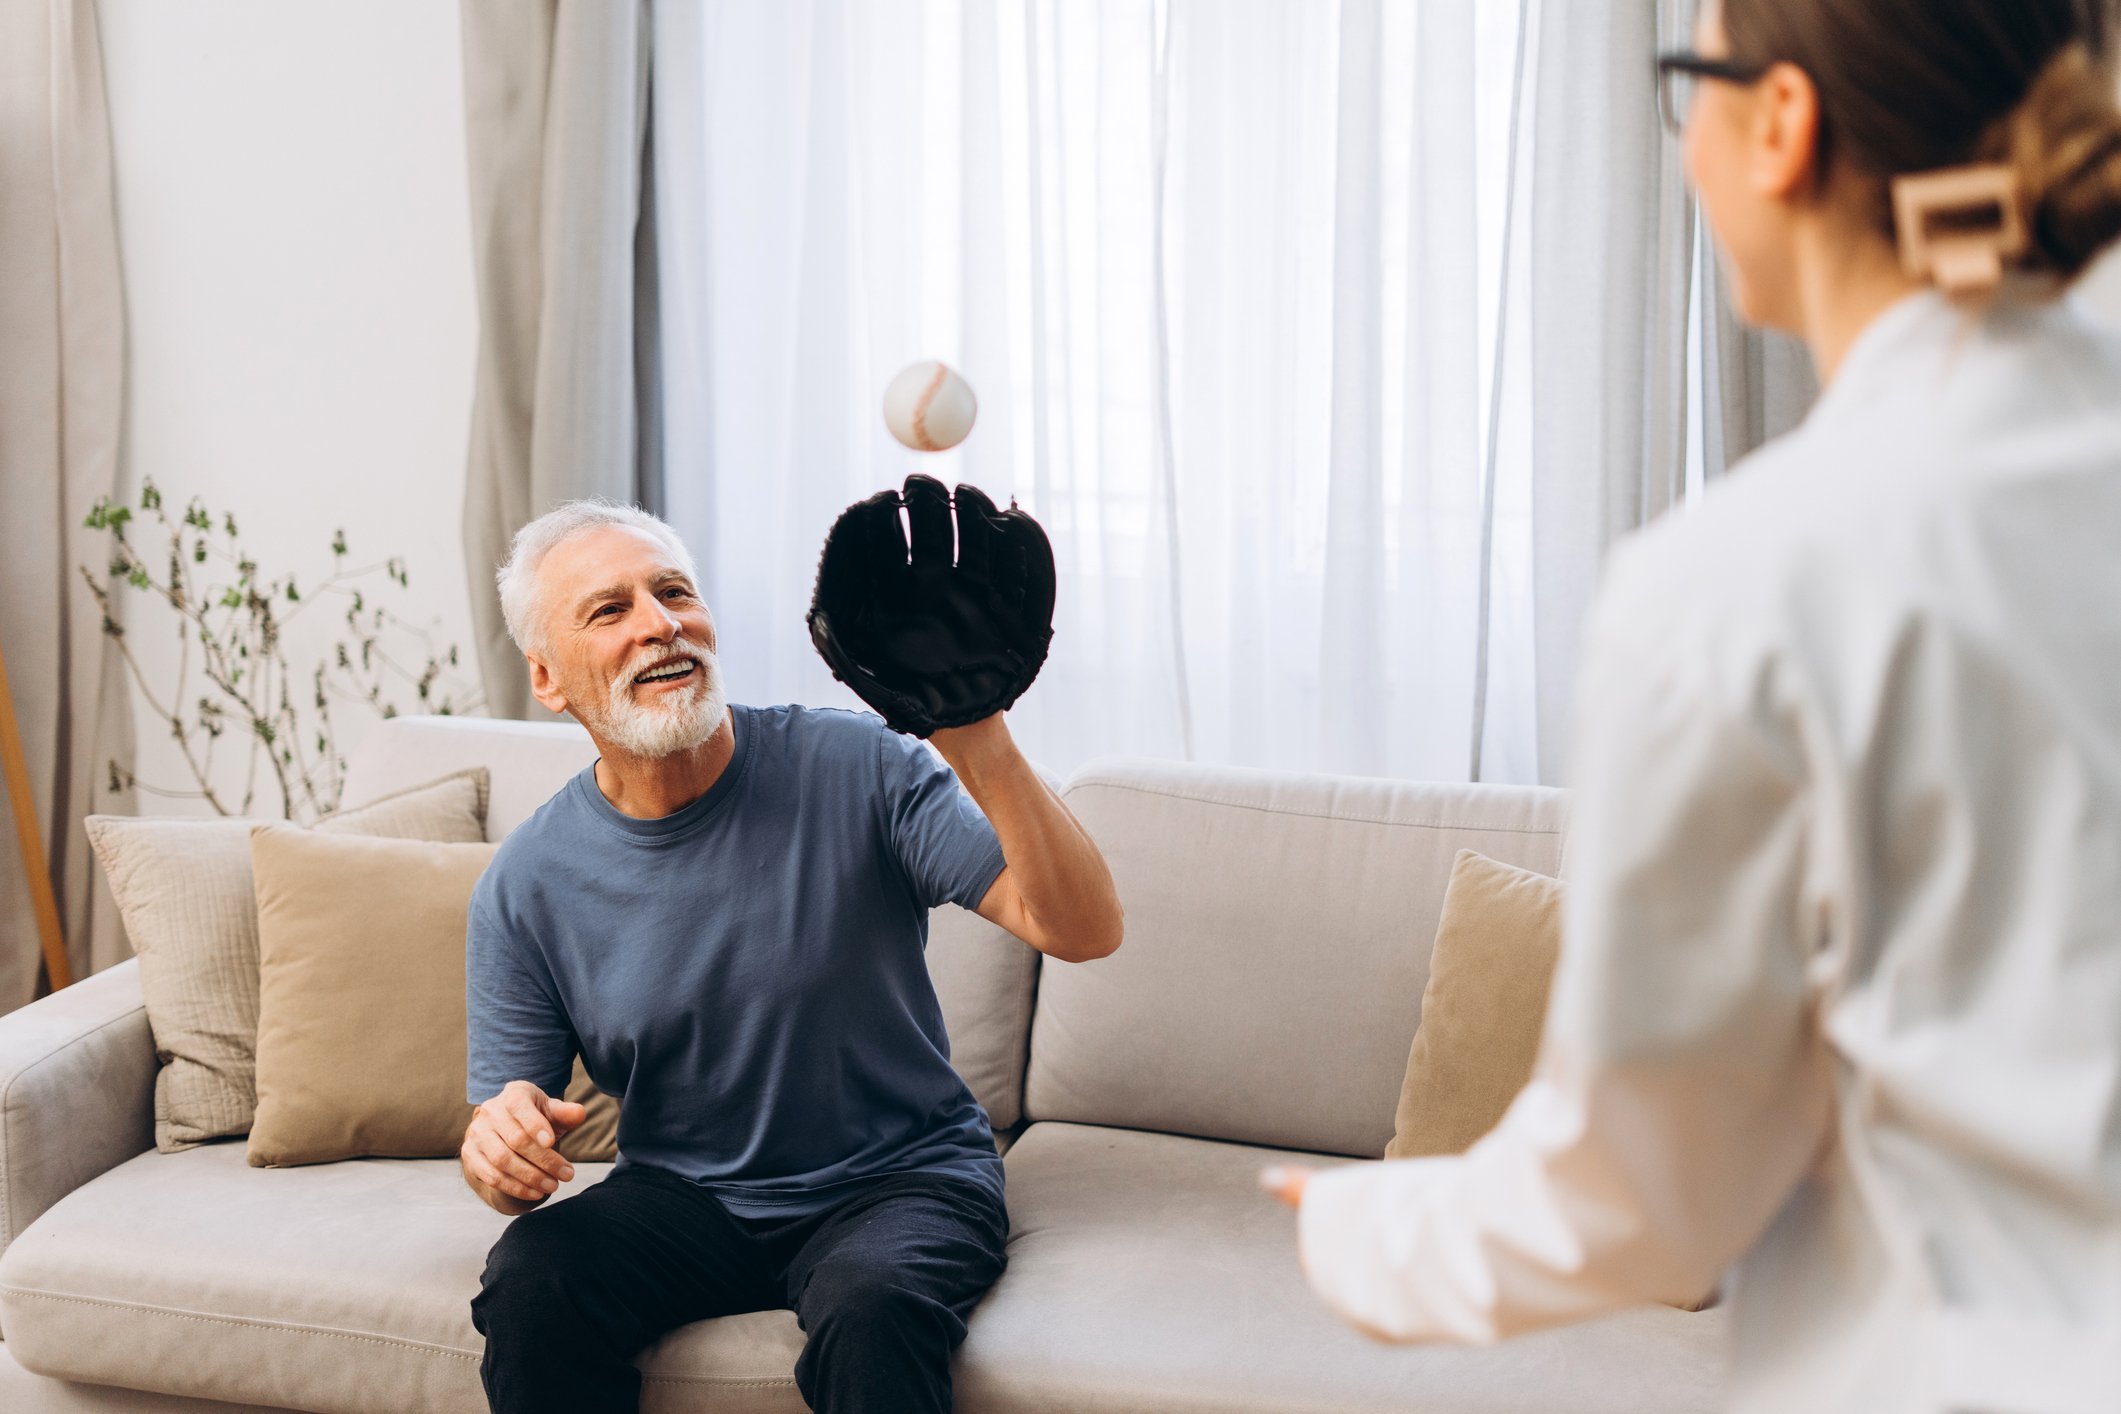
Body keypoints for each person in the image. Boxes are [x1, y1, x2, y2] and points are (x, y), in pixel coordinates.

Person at [1268, 1, 2121, 1410]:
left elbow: (1640, 1192)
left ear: (1780, 123)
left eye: (1689, 85)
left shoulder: (1738, 583)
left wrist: (1366, 1233)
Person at [458, 500, 1123, 1414]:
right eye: (609, 611)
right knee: (532, 1277)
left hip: (900, 1180)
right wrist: (496, 1151)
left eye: (674, 591)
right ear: (547, 676)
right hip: (685, 1201)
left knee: (875, 1309)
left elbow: (1083, 930)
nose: (660, 623)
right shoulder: (527, 881)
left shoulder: (859, 765)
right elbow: (508, 1125)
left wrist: (978, 734)